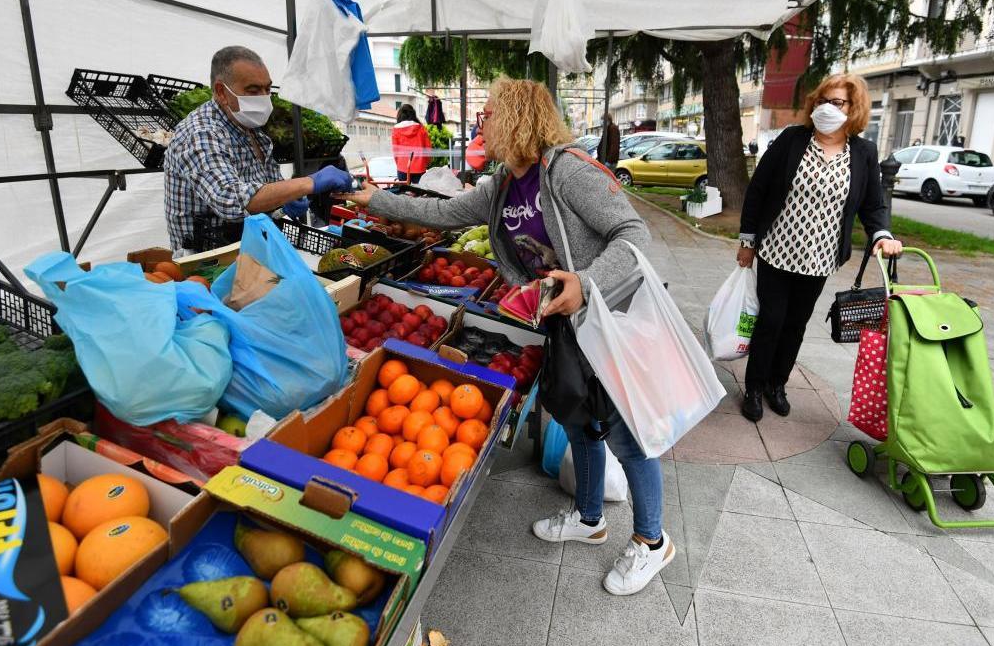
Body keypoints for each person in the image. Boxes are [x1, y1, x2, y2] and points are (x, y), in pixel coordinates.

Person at [337, 78, 673, 596]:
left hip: (611, 316)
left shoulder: (567, 170)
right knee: (580, 418)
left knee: (628, 432)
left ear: (516, 119)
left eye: (489, 114)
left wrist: (585, 283)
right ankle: (589, 519)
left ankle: (652, 542)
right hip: (566, 321)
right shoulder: (503, 183)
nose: (481, 123)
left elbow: (634, 234)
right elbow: (446, 214)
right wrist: (377, 200)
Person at [737, 73, 904, 421]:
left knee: (796, 324)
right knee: (771, 320)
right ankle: (754, 387)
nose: (827, 108)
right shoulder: (792, 140)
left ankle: (776, 384)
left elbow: (873, 205)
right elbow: (758, 190)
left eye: (837, 102)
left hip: (820, 258)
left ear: (853, 107)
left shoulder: (863, 153)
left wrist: (882, 235)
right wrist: (748, 241)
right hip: (777, 249)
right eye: (822, 101)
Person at [163, 46, 351, 255]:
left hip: (253, 253)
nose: (264, 98)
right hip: (209, 263)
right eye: (253, 91)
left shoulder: (252, 131)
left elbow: (266, 189)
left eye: (267, 89)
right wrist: (309, 182)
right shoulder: (200, 133)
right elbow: (230, 199)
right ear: (221, 92)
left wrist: (284, 203)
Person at [391, 104, 433, 184]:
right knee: (421, 194)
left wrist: (399, 164)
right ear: (413, 114)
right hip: (420, 168)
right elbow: (428, 149)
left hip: (402, 168)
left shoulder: (396, 130)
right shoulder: (421, 128)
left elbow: (395, 151)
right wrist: (427, 163)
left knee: (403, 194)